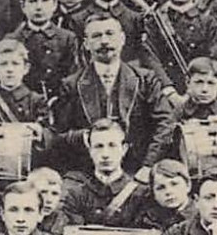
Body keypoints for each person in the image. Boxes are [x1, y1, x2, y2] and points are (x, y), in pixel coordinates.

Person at [52, 14, 178, 176]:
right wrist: (85, 137)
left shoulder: (146, 80)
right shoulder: (71, 85)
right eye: (96, 36)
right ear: (86, 44)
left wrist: (148, 165)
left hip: (138, 171)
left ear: (122, 38)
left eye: (110, 34)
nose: (104, 41)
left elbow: (165, 124)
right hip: (87, 174)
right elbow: (59, 134)